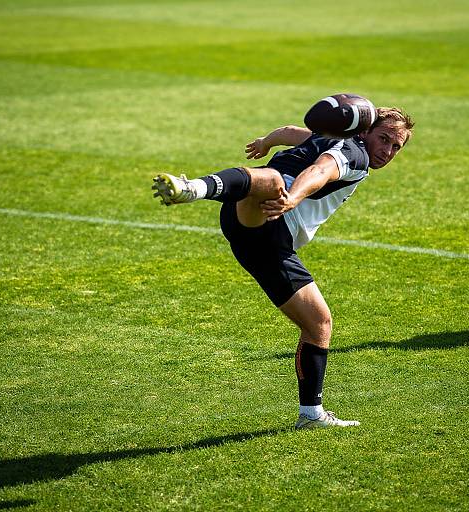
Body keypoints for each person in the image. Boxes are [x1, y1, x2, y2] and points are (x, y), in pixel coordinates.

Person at [152, 107, 414, 428]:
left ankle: (311, 415)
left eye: (396, 146)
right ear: (363, 132)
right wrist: (293, 198)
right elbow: (321, 171)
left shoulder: (327, 137)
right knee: (274, 181)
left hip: (260, 238)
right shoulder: (355, 155)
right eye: (383, 139)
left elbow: (290, 132)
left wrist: (266, 141)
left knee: (319, 323)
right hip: (272, 221)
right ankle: (193, 188)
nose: (387, 151)